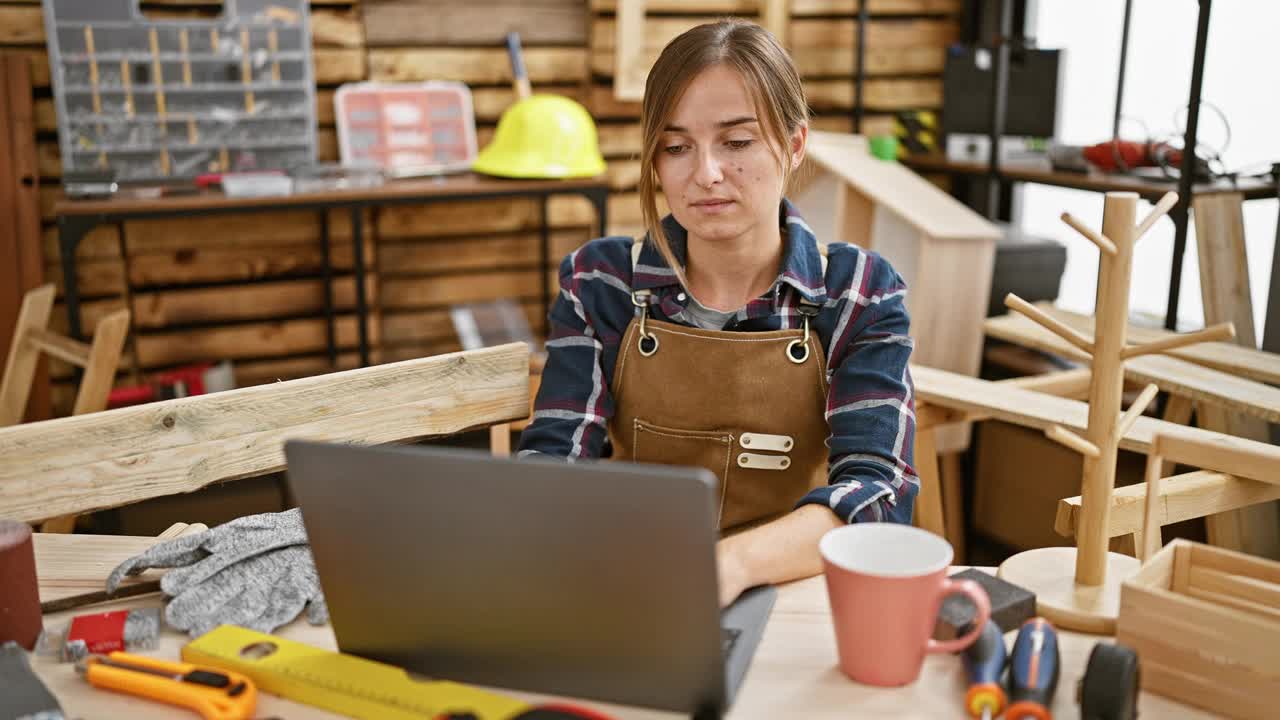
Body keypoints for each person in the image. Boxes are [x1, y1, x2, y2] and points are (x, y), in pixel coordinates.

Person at [517, 20, 918, 607]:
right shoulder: (600, 281)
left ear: (795, 144)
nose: (704, 174)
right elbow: (554, 461)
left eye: (736, 142)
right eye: (676, 147)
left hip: (793, 594)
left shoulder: (858, 292)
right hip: (631, 583)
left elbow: (876, 497)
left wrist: (729, 564)